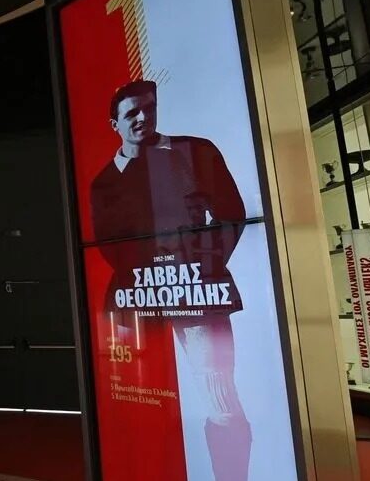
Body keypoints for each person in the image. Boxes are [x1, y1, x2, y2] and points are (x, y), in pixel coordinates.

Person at [90, 80, 251, 481]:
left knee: (220, 399)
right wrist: (145, 273)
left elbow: (231, 215)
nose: (143, 117)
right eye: (131, 113)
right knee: (130, 392)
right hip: (133, 300)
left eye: (149, 108)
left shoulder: (195, 151)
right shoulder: (105, 181)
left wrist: (200, 268)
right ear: (115, 124)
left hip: (194, 290)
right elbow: (109, 245)